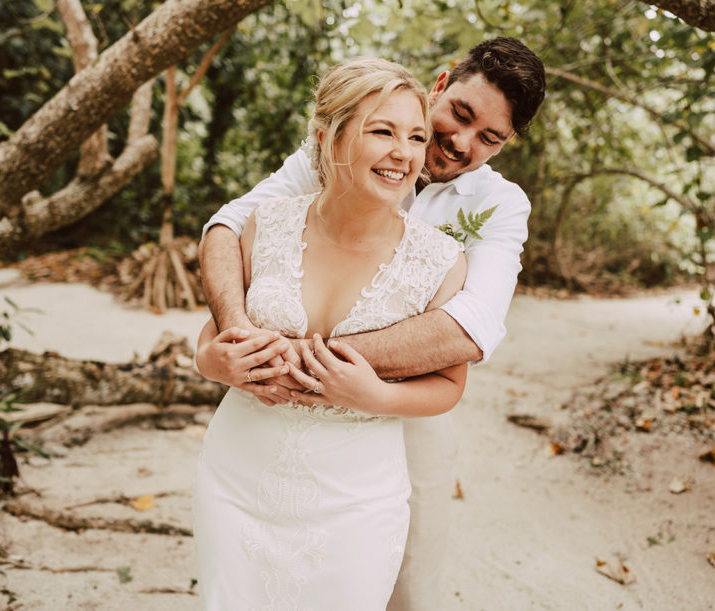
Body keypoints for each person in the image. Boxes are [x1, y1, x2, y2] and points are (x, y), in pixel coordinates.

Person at [197, 38, 546, 610]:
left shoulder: (502, 205)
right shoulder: (336, 149)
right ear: (439, 85)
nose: (460, 144)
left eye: (490, 138)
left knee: (406, 584)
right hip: (268, 419)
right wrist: (237, 335)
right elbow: (230, 227)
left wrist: (308, 360)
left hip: (412, 410)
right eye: (460, 115)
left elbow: (469, 327)